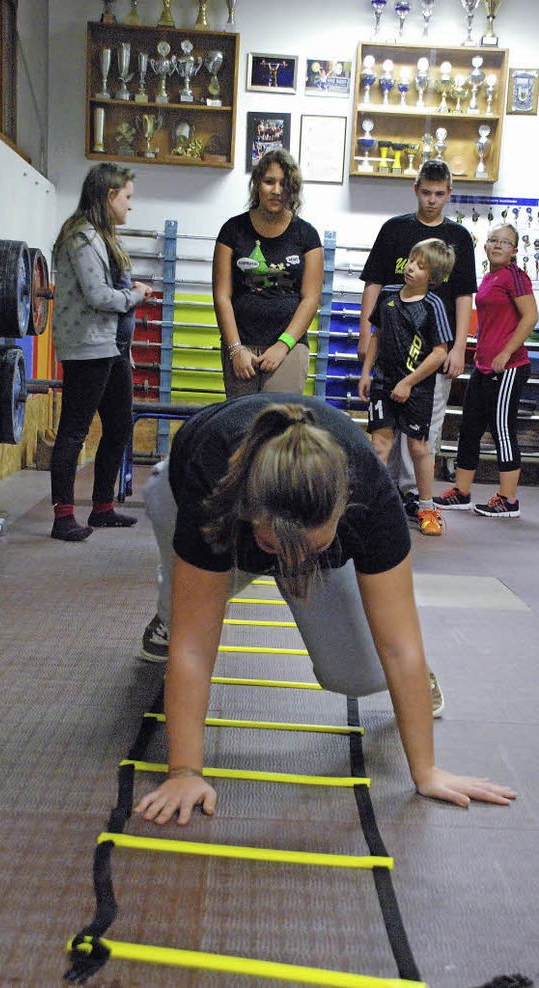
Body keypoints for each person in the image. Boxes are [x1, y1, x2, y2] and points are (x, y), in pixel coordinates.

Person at [134, 396, 515, 826]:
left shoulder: (370, 498)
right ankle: (170, 610)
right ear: (250, 518)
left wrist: (425, 771)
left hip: (291, 522)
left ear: (342, 511)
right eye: (274, 548)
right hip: (186, 494)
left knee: (361, 674)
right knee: (182, 621)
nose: (292, 563)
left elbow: (399, 647)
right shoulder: (215, 487)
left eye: (311, 547)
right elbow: (194, 651)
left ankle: (303, 555)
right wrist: (185, 772)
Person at [358, 160, 477, 518]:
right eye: (426, 192)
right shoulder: (394, 230)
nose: (431, 200)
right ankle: (386, 491)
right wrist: (366, 332)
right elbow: (374, 283)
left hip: (431, 352)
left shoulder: (458, 239)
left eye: (439, 194)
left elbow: (463, 297)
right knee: (385, 430)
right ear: (416, 190)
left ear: (449, 195)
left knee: (422, 429)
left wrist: (458, 346)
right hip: (389, 344)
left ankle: (413, 494)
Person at [49, 163, 152, 541]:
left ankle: (103, 508)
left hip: (113, 347)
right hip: (87, 348)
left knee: (120, 426)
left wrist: (130, 290)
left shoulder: (103, 237)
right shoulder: (82, 237)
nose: (130, 205)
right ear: (109, 196)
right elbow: (97, 296)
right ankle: (62, 517)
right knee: (74, 431)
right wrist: (135, 295)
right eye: (127, 197)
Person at [434, 224, 538, 517]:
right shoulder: (492, 277)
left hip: (509, 367)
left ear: (515, 250)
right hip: (484, 365)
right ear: (485, 246)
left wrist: (505, 352)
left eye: (504, 242)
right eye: (493, 240)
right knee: (469, 428)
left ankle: (508, 499)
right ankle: (462, 491)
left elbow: (531, 316)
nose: (497, 245)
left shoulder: (515, 277)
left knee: (502, 430)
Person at [359, 238, 455, 537]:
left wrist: (408, 382)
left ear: (434, 276)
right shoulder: (387, 295)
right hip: (383, 384)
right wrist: (366, 373)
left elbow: (440, 352)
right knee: (379, 445)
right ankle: (371, 508)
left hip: (418, 390)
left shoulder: (433, 305)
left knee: (418, 447)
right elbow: (376, 335)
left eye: (421, 266)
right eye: (411, 261)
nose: (411, 268)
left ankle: (427, 507)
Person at [212, 149, 323, 398]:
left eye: (284, 184)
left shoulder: (307, 236)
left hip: (288, 347)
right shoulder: (232, 230)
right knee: (242, 428)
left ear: (292, 189)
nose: (276, 190)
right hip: (240, 347)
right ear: (257, 184)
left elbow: (311, 299)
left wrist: (283, 345)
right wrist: (235, 348)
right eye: (269, 181)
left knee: (277, 429)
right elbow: (221, 296)